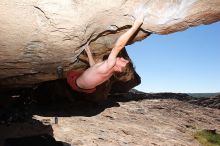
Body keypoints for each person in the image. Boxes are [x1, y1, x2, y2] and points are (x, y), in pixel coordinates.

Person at [67, 14, 144, 93]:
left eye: (124, 61)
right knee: (94, 65)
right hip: (86, 89)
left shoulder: (110, 63)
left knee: (74, 69)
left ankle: (60, 73)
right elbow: (94, 68)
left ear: (119, 69)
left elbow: (118, 46)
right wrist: (89, 53)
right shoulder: (110, 73)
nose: (122, 58)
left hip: (74, 81)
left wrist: (135, 26)